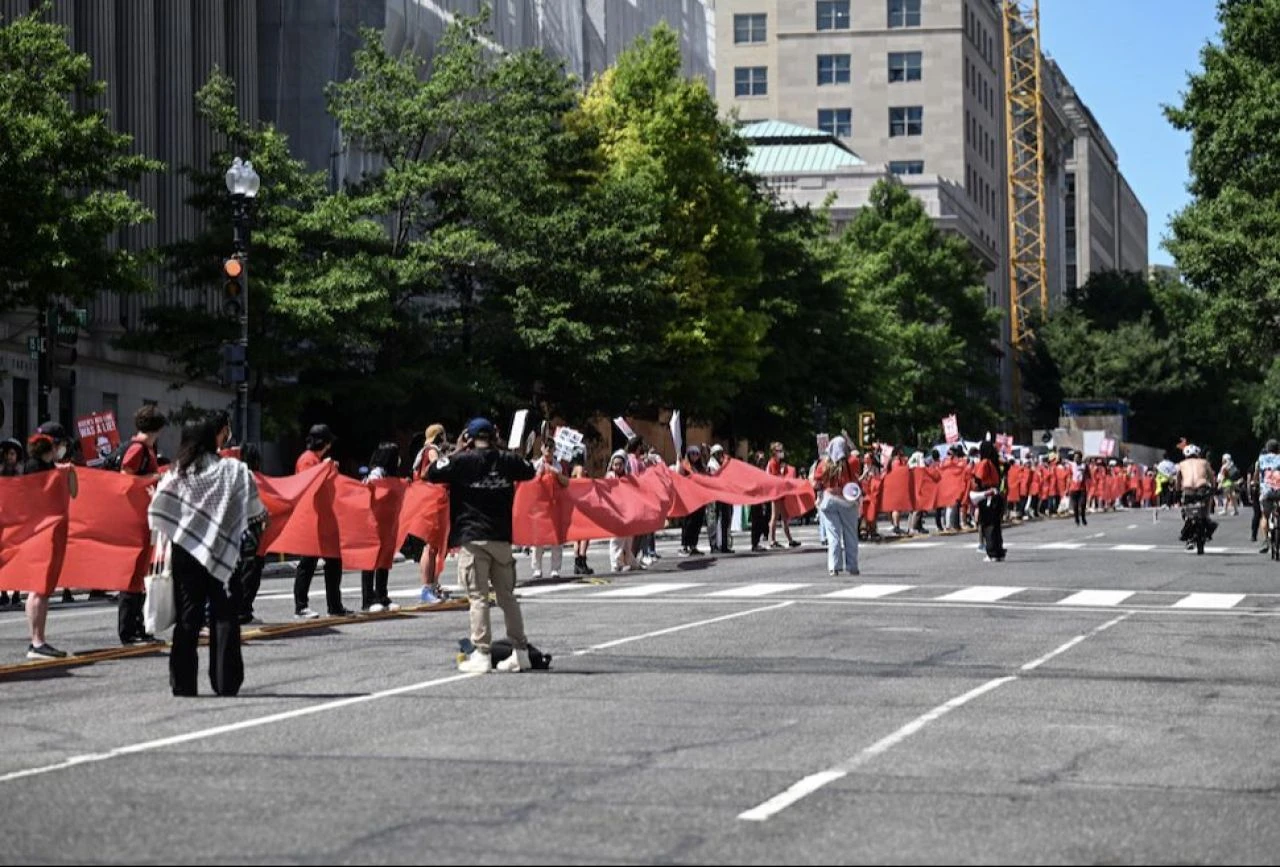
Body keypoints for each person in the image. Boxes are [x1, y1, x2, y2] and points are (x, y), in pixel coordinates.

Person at [149, 415, 266, 696]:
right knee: (224, 614)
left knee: (188, 616)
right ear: (214, 437)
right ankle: (226, 682)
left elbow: (157, 509)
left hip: (186, 550)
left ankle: (183, 684)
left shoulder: (177, 473)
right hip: (224, 550)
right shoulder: (234, 470)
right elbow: (255, 511)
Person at [428, 418, 538, 673]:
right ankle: (521, 651)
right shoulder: (507, 460)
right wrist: (503, 450)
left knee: (478, 597)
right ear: (494, 435)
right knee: (507, 597)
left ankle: (482, 653)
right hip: (501, 536)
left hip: (472, 535)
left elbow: (431, 472)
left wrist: (456, 449)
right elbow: (530, 470)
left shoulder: (461, 460)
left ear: (468, 436)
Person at [20, 424, 78, 658]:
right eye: (62, 444)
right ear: (53, 444)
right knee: (39, 588)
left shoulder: (48, 467)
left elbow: (72, 492)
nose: (64, 449)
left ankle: (38, 640)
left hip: (46, 532)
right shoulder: (35, 469)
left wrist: (66, 472)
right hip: (39, 533)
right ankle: (37, 642)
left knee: (42, 588)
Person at [116, 404, 168, 646]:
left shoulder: (144, 448)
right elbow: (125, 478)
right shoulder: (138, 449)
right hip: (136, 516)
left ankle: (137, 626)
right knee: (134, 573)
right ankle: (128, 630)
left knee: (140, 574)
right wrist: (154, 478)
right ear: (156, 429)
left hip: (142, 515)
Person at [292, 424, 352, 619]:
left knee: (334, 561)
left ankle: (335, 605)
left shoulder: (315, 460)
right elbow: (309, 483)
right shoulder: (308, 460)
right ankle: (301, 606)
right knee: (308, 562)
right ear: (324, 443)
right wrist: (326, 468)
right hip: (313, 518)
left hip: (324, 518)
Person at [357, 442, 403, 613]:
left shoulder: (390, 474)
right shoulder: (376, 474)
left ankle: (382, 595)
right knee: (371, 559)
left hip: (386, 523)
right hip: (373, 522)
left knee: (384, 559)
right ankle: (368, 599)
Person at [411, 424, 450, 604]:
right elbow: (436, 470)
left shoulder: (424, 451)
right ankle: (427, 588)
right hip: (433, 501)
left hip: (429, 500)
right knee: (432, 546)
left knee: (434, 546)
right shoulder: (432, 450)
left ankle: (433, 585)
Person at [230, 443, 268, 624]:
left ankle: (241, 609)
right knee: (249, 571)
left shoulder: (234, 473)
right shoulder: (251, 476)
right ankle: (243, 610)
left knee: (241, 571)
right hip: (252, 527)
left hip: (235, 528)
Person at [817, 437, 860, 576]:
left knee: (833, 535)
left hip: (829, 500)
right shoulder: (852, 462)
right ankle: (852, 566)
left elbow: (816, 482)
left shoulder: (824, 464)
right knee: (850, 534)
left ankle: (834, 566)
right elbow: (855, 453)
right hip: (847, 500)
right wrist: (850, 444)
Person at [531, 438, 571, 580]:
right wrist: (539, 474)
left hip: (555, 506)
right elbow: (530, 485)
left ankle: (555, 568)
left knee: (556, 539)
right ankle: (537, 568)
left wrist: (557, 474)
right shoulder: (536, 465)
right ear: (541, 448)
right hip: (540, 507)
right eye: (546, 446)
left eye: (551, 447)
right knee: (538, 540)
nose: (548, 449)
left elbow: (567, 483)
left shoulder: (559, 465)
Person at [1175, 444, 1217, 548]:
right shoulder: (1204, 462)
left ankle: (1189, 535)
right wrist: (1214, 488)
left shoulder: (1181, 464)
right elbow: (1212, 477)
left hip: (1188, 489)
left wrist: (1177, 491)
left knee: (1187, 513)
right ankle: (1207, 520)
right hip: (1202, 488)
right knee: (1205, 511)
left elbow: (1178, 479)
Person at [973, 440, 1007, 562]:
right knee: (996, 525)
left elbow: (978, 478)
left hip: (987, 494)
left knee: (988, 524)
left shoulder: (985, 462)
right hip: (997, 494)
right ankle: (998, 552)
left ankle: (991, 552)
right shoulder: (996, 463)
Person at [0, 437, 24, 608]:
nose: (10, 457)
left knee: (17, 558)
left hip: (16, 523)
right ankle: (3, 592)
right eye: (8, 454)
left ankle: (16, 592)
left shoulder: (21, 477)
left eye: (13, 454)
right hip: (2, 523)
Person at [766, 442, 800, 548]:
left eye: (781, 450)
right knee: (775, 516)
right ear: (774, 452)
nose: (781, 452)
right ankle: (772, 540)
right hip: (776, 493)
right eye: (779, 451)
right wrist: (782, 473)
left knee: (785, 516)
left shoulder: (777, 462)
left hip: (780, 492)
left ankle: (790, 539)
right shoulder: (772, 463)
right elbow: (774, 477)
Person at [679, 446, 708, 556]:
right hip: (688, 499)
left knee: (697, 522)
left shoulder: (700, 467)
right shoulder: (685, 466)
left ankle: (693, 545)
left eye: (697, 454)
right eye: (692, 453)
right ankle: (685, 545)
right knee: (688, 522)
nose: (695, 456)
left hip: (699, 499)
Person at [707, 445, 735, 554]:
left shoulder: (723, 464)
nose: (720, 455)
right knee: (713, 520)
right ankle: (714, 545)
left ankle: (724, 544)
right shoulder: (712, 465)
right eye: (717, 453)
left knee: (726, 519)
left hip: (724, 494)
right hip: (714, 496)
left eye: (721, 453)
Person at [1254, 440, 1280, 553]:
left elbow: (1256, 474)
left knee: (1265, 515)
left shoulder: (1261, 459)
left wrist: (1255, 483)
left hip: (1266, 491)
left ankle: (1265, 541)